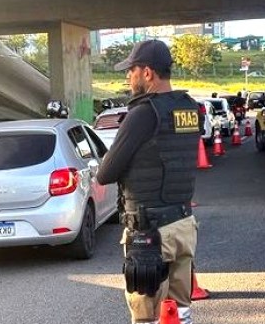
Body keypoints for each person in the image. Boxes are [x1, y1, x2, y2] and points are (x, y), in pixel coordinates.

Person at [97, 40, 200, 324]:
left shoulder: (142, 114)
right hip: (183, 225)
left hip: (150, 233)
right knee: (179, 312)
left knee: (148, 317)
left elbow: (105, 173)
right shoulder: (188, 108)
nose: (127, 77)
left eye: (131, 70)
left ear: (147, 73)